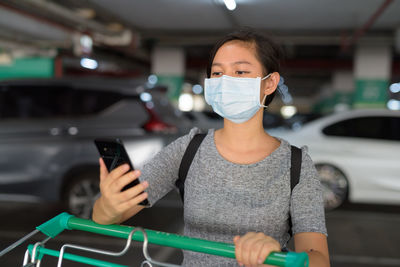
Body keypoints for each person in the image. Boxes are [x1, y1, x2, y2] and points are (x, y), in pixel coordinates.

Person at [92, 28, 330, 267]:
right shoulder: (188, 149)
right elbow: (106, 216)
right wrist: (107, 206)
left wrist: (279, 257)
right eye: (217, 72)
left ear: (269, 83)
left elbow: (318, 258)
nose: (226, 81)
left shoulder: (296, 165)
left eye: (240, 71)